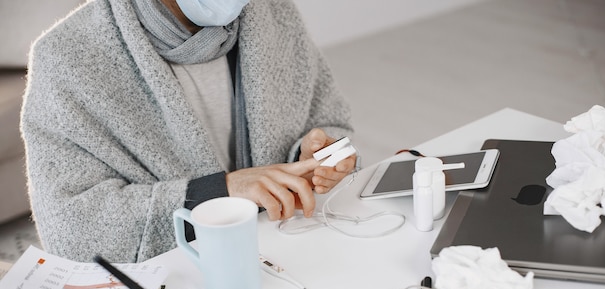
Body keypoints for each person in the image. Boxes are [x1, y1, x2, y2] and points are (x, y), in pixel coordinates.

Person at [21, 0, 355, 263]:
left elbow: (328, 122)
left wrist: (316, 159)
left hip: (290, 249)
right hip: (174, 282)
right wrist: (219, 192)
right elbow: (72, 226)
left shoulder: (273, 13)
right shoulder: (65, 58)